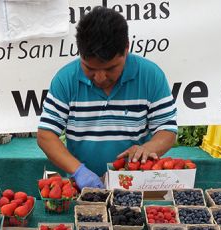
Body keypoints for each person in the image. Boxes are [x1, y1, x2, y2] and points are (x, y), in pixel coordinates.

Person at [37, 6, 177, 190]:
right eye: (90, 68)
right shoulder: (65, 79)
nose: (100, 77)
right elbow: (46, 135)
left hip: (135, 185)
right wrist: (79, 171)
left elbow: (167, 129)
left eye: (110, 68)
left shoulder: (151, 75)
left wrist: (148, 148)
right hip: (82, 189)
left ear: (126, 48)